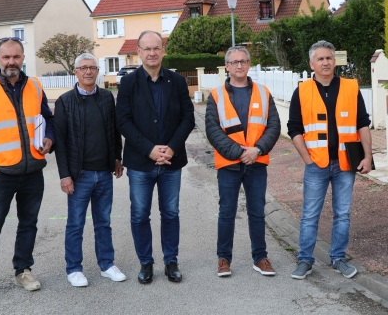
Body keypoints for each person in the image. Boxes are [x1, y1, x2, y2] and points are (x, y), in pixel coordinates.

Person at [0, 37, 54, 299]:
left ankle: (23, 270)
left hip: (32, 171)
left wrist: (50, 137)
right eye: (6, 57)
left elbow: (47, 118)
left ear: (23, 58)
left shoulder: (35, 86)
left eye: (16, 57)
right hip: (1, 173)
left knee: (28, 223)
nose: (11, 62)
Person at [288, 40, 372, 280]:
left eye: (329, 58)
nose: (325, 62)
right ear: (311, 64)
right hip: (316, 163)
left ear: (335, 61)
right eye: (321, 59)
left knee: (342, 213)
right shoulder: (302, 90)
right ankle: (305, 260)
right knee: (310, 214)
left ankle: (338, 258)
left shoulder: (350, 87)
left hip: (346, 163)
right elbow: (294, 128)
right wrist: (306, 158)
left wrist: (368, 156)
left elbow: (362, 123)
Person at [116, 30, 195, 284]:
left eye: (156, 48)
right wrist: (149, 149)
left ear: (163, 50)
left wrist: (171, 148)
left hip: (172, 161)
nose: (152, 53)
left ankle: (171, 261)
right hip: (140, 162)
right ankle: (146, 263)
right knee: (140, 214)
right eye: (146, 48)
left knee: (170, 213)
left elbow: (188, 119)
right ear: (138, 52)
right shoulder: (128, 83)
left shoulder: (177, 81)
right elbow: (123, 122)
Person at [205, 46, 281, 278]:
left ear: (249, 65)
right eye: (234, 62)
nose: (239, 65)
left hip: (257, 162)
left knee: (257, 212)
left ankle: (260, 258)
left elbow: (274, 125)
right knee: (226, 212)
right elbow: (212, 129)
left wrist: (257, 150)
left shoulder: (263, 92)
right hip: (229, 164)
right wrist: (240, 152)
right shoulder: (216, 95)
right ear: (227, 66)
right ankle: (223, 259)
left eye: (243, 61)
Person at [54, 53, 126, 287]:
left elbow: (114, 131)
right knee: (75, 223)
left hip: (104, 173)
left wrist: (117, 157)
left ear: (97, 71)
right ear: (75, 72)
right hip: (79, 174)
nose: (87, 72)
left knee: (103, 222)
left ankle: (107, 264)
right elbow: (60, 142)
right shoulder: (65, 101)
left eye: (92, 67)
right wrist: (65, 175)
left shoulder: (106, 98)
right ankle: (74, 268)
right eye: (83, 68)